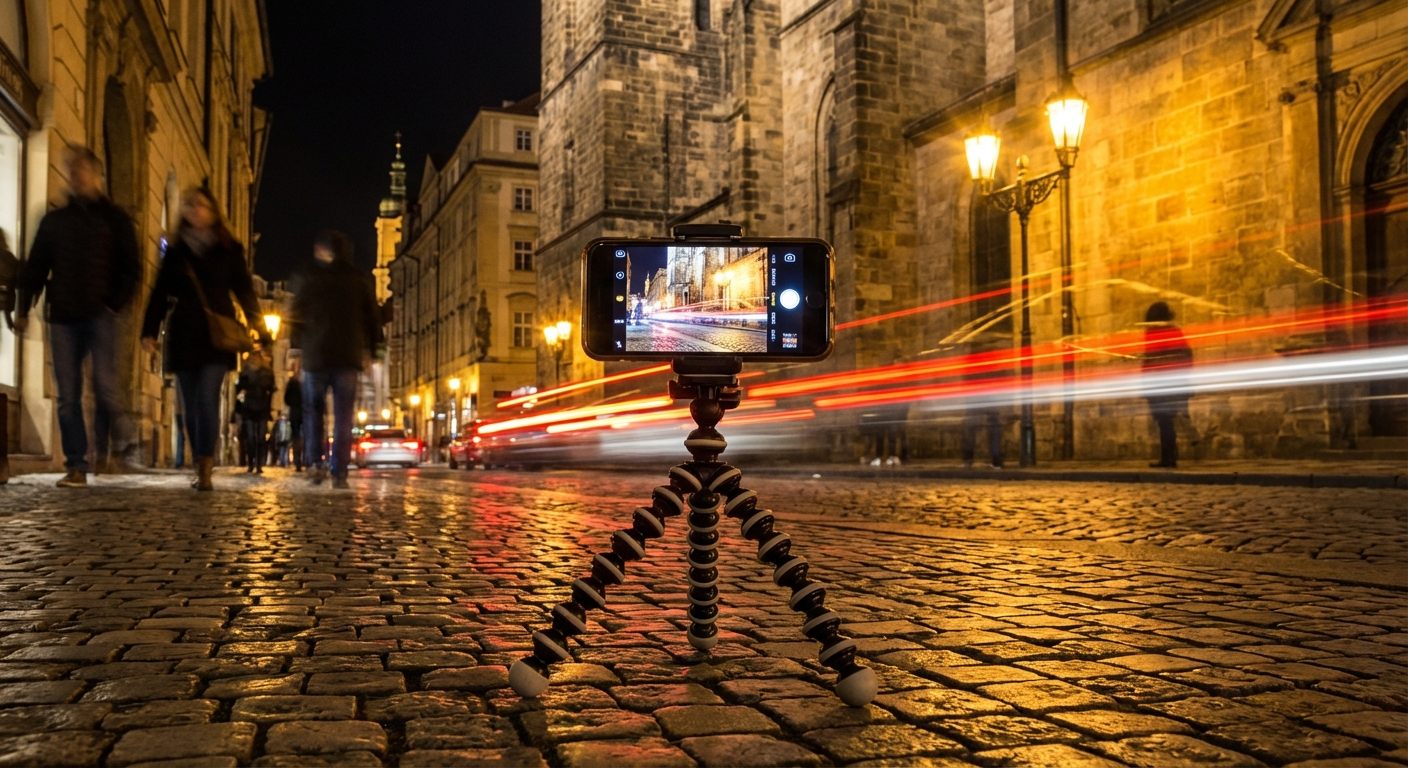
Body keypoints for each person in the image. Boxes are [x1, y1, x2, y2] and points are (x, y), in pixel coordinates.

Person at [16, 145, 141, 486]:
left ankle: (108, 446)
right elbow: (36, 267)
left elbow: (132, 269)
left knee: (104, 388)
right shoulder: (55, 220)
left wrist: (115, 304)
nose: (76, 175)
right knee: (67, 396)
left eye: (82, 169)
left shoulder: (115, 219)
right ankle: (76, 465)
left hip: (101, 315)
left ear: (97, 175)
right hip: (63, 317)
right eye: (71, 169)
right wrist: (23, 308)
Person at [140, 187, 269, 491]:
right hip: (183, 333)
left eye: (200, 205)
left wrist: (260, 332)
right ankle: (200, 461)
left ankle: (205, 466)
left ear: (212, 211)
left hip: (217, 335)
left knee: (208, 397)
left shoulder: (229, 249)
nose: (195, 209)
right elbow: (160, 292)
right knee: (191, 405)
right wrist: (149, 330)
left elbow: (245, 292)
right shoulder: (176, 251)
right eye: (189, 205)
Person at [288, 230, 382, 490]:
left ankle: (315, 463)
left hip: (315, 354)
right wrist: (373, 351)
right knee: (343, 417)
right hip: (347, 356)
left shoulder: (305, 276)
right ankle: (339, 471)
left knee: (313, 413)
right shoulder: (359, 279)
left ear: (320, 250)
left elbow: (294, 316)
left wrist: (295, 352)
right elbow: (372, 318)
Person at [1142, 301, 1193, 469]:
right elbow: (1187, 355)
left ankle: (1168, 458)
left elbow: (1148, 360)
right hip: (1173, 382)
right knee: (1168, 421)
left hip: (1158, 384)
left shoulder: (1152, 333)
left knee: (1164, 422)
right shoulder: (1174, 331)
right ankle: (1170, 457)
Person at [235, 349, 276, 473]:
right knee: (251, 438)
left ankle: (258, 464)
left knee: (260, 438)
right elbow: (239, 389)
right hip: (248, 407)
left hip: (262, 407)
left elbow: (271, 389)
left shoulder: (267, 373)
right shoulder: (245, 373)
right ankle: (251, 463)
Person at [284, 359, 305, 471]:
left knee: (305, 437)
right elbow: (286, 398)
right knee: (296, 437)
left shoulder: (307, 381)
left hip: (305, 412)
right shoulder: (292, 382)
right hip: (296, 413)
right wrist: (296, 403)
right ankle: (298, 462)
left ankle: (307, 460)